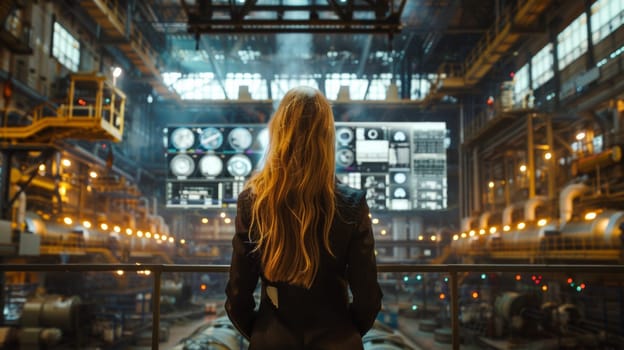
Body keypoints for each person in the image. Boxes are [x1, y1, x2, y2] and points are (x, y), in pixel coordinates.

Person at [225, 86, 382, 349]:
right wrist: (344, 333)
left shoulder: (253, 201)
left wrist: (264, 333)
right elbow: (368, 298)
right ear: (327, 136)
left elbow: (237, 296)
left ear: (279, 133)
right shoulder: (352, 204)